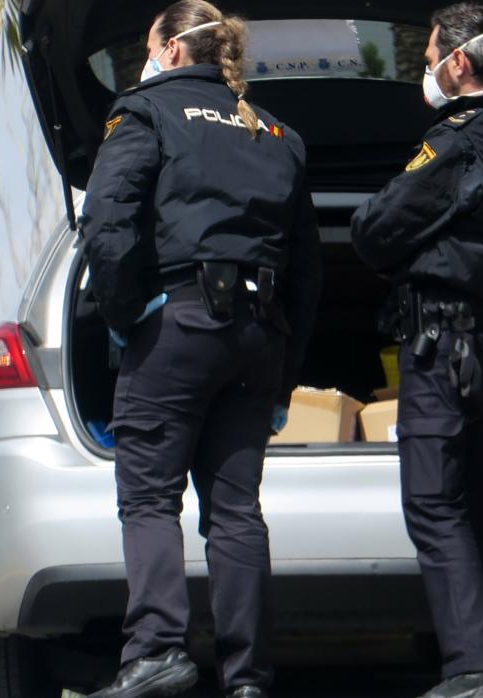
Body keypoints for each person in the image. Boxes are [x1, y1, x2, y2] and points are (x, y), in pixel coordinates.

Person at [80, 2, 322, 697]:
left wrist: (127, 314)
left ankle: (156, 651)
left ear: (169, 48)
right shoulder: (277, 133)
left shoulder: (145, 113)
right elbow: (307, 270)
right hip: (258, 339)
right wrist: (283, 378)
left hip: (178, 328)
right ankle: (248, 679)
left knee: (150, 497)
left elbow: (107, 219)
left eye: (146, 45)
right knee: (236, 512)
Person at [349, 4, 483, 698]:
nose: (425, 72)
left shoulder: (457, 143)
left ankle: (472, 671)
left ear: (458, 64)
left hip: (441, 347)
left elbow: (376, 228)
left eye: (430, 56)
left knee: (433, 502)